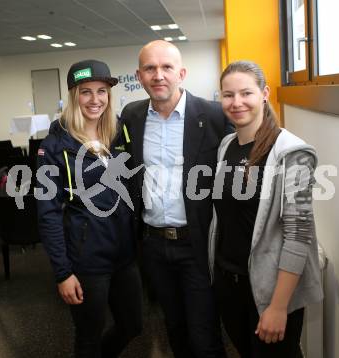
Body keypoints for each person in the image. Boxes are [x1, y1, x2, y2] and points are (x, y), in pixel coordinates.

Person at [120, 40, 231, 358]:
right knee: (175, 331)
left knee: (204, 337)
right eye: (150, 68)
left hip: (196, 245)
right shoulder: (132, 117)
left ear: (181, 73)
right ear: (139, 75)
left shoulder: (211, 115)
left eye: (166, 67)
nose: (158, 75)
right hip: (154, 246)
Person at [208, 60, 324, 357]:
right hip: (230, 284)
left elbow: (298, 235)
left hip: (269, 292)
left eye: (246, 93)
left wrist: (278, 307)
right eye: (228, 95)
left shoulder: (291, 152)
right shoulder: (226, 145)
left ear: (264, 93)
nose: (236, 103)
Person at [37, 59, 142, 358]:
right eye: (86, 92)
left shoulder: (119, 132)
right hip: (86, 261)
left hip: (124, 255)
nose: (95, 100)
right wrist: (62, 273)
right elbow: (48, 213)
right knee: (88, 338)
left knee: (132, 325)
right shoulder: (55, 146)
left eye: (101, 91)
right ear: (73, 96)